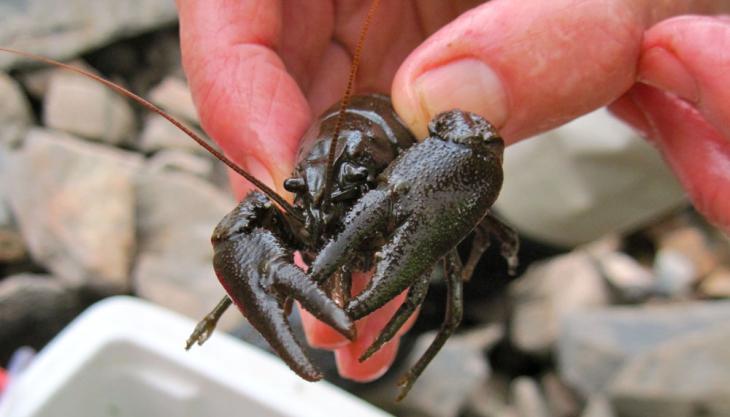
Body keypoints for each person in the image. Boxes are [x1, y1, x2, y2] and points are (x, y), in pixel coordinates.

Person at [175, 0, 730, 381]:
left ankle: (447, 286)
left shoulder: (418, 161)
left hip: (428, 183)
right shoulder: (308, 179)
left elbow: (467, 141)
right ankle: (296, 311)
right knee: (267, 228)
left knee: (465, 251)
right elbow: (239, 231)